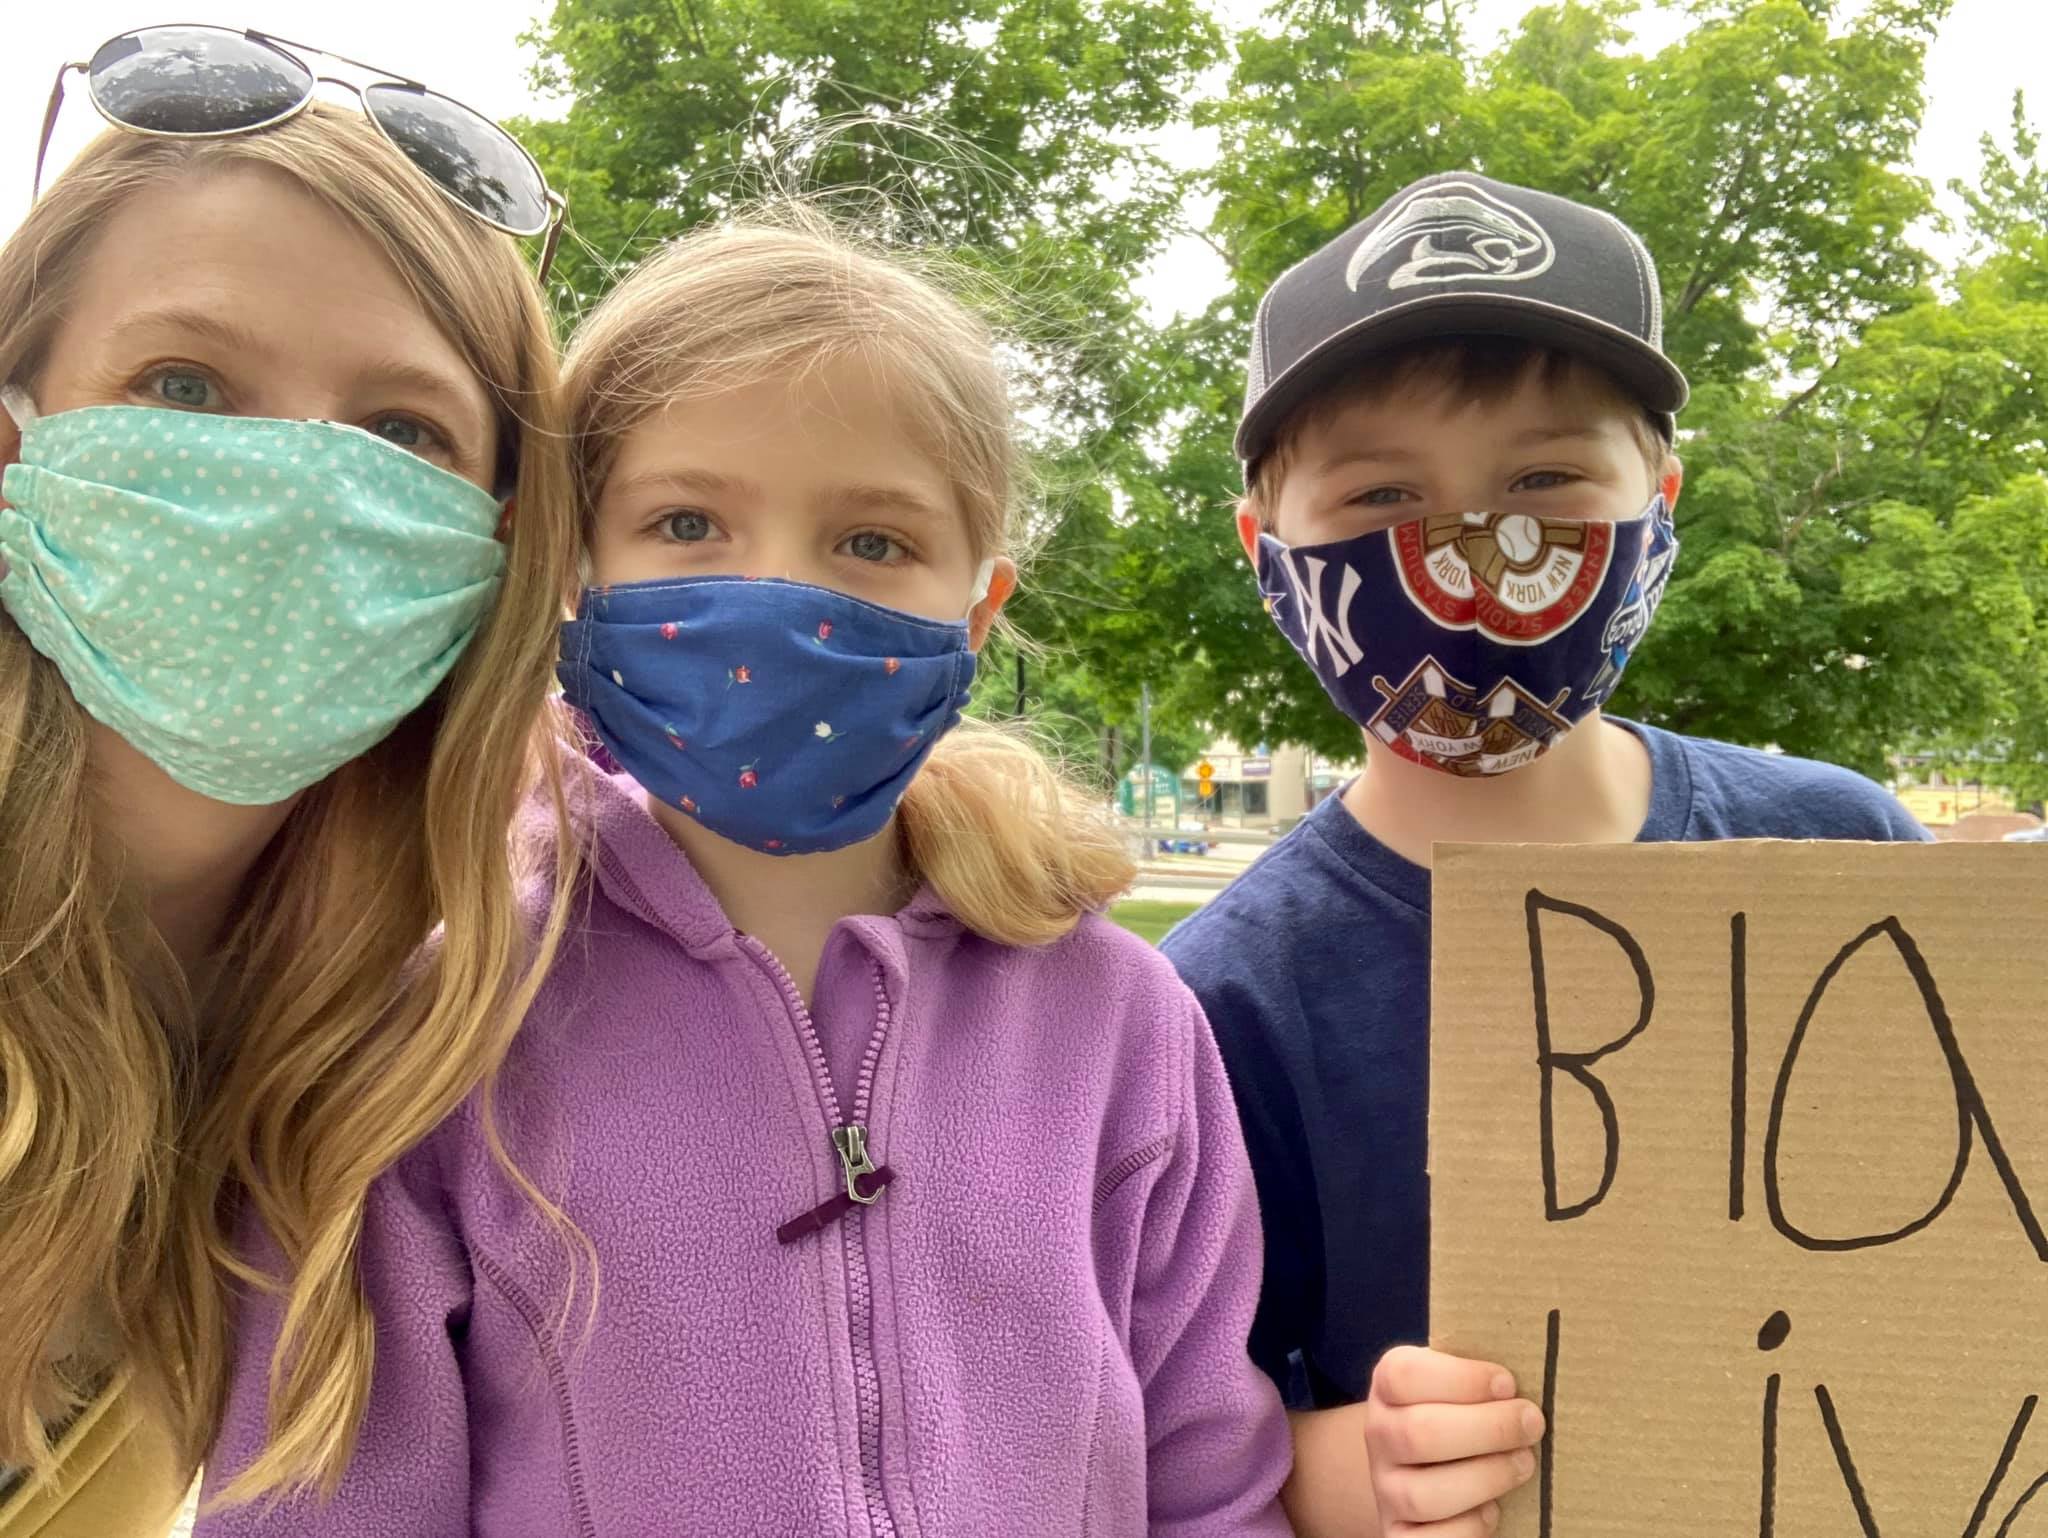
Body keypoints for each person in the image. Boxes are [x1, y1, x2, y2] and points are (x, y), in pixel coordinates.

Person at [194, 216, 1294, 1536]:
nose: (776, 593)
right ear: (574, 574)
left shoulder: (1120, 1022)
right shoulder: (439, 1025)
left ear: (979, 611)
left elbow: (1209, 1478)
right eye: (688, 522)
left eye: (872, 542)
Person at [1160, 170, 1929, 1538]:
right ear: (1266, 553)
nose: (1473, 545)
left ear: (1660, 502)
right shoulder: (1223, 1004)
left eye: (1545, 478)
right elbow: (1198, 1439)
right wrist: (1361, 1472)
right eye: (1381, 493)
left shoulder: (1842, 847)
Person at [0, 24, 578, 1536]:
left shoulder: (412, 1025)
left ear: (498, 537)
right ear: (14, 433)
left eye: (402, 431)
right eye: (185, 383)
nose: (295, 488)